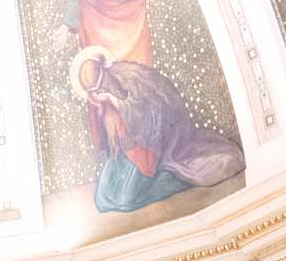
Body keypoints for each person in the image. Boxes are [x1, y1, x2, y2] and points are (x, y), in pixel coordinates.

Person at [73, 48, 244, 213]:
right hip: (128, 150)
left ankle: (173, 177)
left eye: (98, 88)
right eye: (94, 92)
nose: (98, 93)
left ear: (104, 76)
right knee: (103, 197)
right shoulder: (103, 95)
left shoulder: (132, 77)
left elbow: (150, 114)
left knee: (126, 199)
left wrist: (115, 101)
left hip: (152, 147)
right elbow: (112, 136)